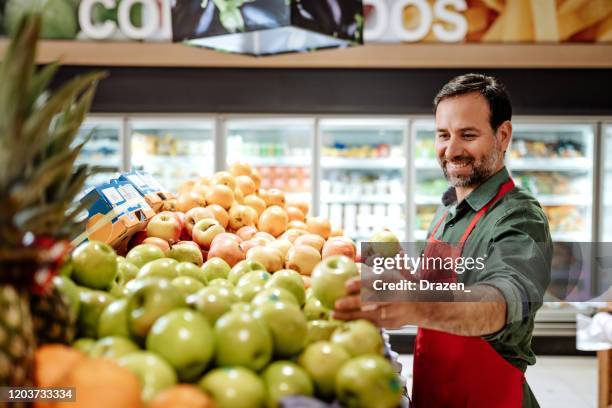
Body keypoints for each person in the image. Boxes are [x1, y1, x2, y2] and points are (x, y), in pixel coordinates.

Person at [333, 73, 553, 408]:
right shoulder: (448, 210)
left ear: (503, 135)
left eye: (467, 135)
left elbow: (501, 303)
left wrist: (413, 301)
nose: (451, 150)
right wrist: (398, 278)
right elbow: (439, 290)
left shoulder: (520, 217)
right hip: (435, 391)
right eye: (443, 135)